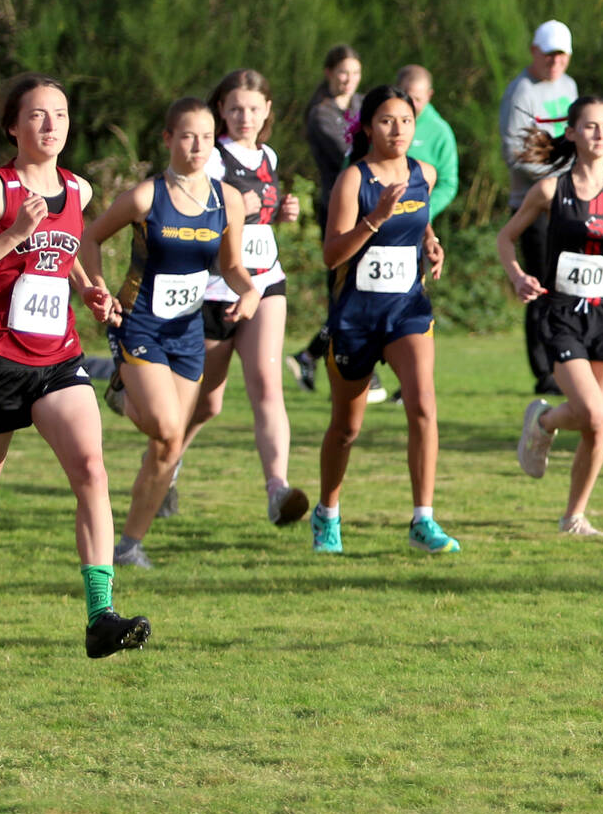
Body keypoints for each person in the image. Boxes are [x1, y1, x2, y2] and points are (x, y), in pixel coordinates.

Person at [0, 73, 149, 654]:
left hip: (57, 360)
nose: (51, 125)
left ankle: (100, 616)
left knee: (91, 468)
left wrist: (90, 288)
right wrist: (14, 233)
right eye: (37, 115)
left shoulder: (79, 190)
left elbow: (64, 256)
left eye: (60, 115)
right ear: (12, 125)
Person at [80, 98, 262, 569]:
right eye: (186, 135)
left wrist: (250, 293)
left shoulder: (228, 200)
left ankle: (129, 544)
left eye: (205, 136)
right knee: (165, 426)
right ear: (167, 139)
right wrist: (99, 291)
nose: (197, 145)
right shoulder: (147, 196)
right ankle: (122, 389)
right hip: (138, 324)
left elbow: (232, 266)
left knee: (169, 445)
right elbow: (91, 238)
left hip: (187, 333)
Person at [312, 84, 457, 555]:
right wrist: (374, 218)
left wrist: (431, 242)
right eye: (387, 121)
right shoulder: (354, 180)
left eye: (406, 121)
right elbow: (332, 254)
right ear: (368, 126)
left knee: (423, 405)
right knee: (347, 428)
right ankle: (328, 513)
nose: (398, 130)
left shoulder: (425, 174)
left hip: (406, 310)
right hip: (356, 316)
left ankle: (423, 519)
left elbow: (419, 218)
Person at [180, 69, 310, 525]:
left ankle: (278, 490)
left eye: (254, 108)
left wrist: (282, 212)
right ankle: (164, 469)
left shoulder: (268, 156)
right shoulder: (212, 159)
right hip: (216, 290)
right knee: (206, 401)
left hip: (264, 283)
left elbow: (261, 218)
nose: (245, 117)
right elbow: (192, 217)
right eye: (235, 108)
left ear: (268, 110)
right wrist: (234, 210)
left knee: (267, 384)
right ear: (221, 110)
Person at [502, 96, 603, 538]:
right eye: (592, 126)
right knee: (593, 413)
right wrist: (518, 276)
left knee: (600, 425)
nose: (601, 135)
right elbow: (506, 238)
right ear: (573, 133)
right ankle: (543, 423)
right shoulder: (548, 190)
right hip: (562, 313)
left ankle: (573, 517)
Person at [500, 20, 579, 397]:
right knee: (539, 287)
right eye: (548, 54)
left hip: (569, 202)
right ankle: (544, 371)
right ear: (534, 51)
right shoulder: (521, 92)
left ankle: (576, 365)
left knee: (572, 282)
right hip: (533, 206)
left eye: (561, 55)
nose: (555, 62)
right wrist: (561, 176)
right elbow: (517, 155)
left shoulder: (569, 87)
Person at [290, 44, 372, 396]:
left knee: (360, 289)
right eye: (342, 72)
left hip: (366, 206)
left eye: (354, 73)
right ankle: (332, 359)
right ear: (328, 73)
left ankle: (311, 354)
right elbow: (353, 154)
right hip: (338, 208)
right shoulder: (321, 115)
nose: (348, 80)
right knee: (345, 290)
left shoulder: (361, 104)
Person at [397, 64, 460, 220]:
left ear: (429, 95)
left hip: (414, 222)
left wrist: (422, 211)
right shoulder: (379, 121)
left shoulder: (440, 132)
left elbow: (447, 184)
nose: (410, 104)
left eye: (417, 99)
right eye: (406, 95)